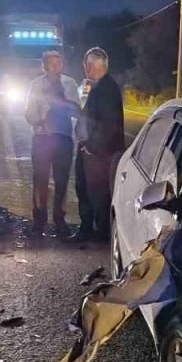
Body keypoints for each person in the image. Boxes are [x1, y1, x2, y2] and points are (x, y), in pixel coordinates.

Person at [24, 50, 81, 237]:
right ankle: (39, 221)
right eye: (52, 64)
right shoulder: (36, 86)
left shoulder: (69, 84)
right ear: (44, 66)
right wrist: (39, 120)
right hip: (42, 138)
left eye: (58, 63)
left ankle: (59, 220)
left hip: (63, 138)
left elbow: (76, 110)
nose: (55, 67)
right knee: (40, 180)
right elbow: (29, 114)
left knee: (62, 181)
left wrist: (62, 100)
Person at [70, 47, 124, 243]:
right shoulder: (97, 86)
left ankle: (101, 235)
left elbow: (108, 125)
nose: (85, 69)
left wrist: (91, 147)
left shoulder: (107, 89)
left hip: (101, 154)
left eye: (86, 65)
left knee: (99, 194)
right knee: (84, 189)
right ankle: (87, 229)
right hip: (91, 150)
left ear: (91, 65)